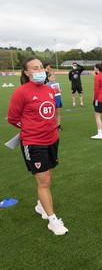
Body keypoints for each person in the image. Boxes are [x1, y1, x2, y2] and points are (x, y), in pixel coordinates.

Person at [7, 57, 69, 235]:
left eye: (41, 67)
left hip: (52, 140)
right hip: (34, 142)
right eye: (35, 68)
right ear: (26, 72)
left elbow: (51, 115)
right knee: (44, 182)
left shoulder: (49, 90)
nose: (40, 70)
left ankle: (41, 206)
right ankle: (53, 221)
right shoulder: (21, 92)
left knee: (49, 174)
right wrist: (29, 128)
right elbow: (13, 118)